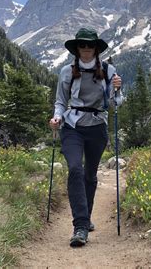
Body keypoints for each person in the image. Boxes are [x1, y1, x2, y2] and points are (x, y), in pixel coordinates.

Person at [49, 27, 123, 247]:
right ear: (77, 48)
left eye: (90, 45)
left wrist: (118, 90)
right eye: (82, 45)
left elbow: (116, 103)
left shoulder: (109, 71)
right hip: (72, 126)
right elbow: (60, 101)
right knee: (75, 169)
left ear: (96, 48)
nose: (86, 49)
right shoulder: (66, 71)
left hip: (97, 127)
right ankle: (80, 226)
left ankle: (87, 217)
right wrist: (56, 118)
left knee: (90, 175)